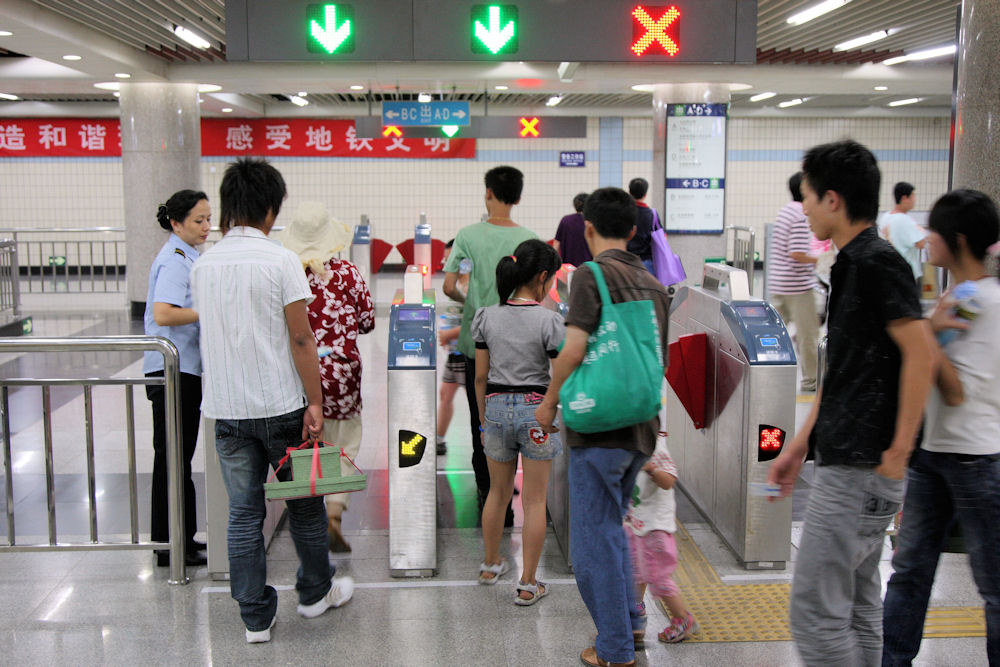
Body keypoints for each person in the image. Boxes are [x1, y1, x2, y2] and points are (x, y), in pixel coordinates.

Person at [766, 141, 935, 667]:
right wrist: (800, 446)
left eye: (811, 198)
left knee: (815, 611)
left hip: (861, 468)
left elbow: (922, 353)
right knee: (859, 604)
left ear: (833, 200)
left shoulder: (874, 263)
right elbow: (844, 372)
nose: (807, 208)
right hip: (850, 458)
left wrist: (900, 448)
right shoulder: (853, 264)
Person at [190, 158, 353, 644]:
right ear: (268, 208)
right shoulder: (280, 260)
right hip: (282, 406)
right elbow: (302, 340)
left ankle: (255, 619)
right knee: (303, 507)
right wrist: (316, 401)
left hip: (227, 411)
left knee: (243, 514)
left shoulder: (204, 265)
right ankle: (313, 595)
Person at [535, 187, 672, 667]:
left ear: (587, 229)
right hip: (641, 429)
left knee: (594, 542)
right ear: (634, 231)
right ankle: (630, 626)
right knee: (613, 530)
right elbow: (661, 358)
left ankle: (614, 649)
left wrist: (550, 403)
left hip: (599, 427)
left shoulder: (590, 276)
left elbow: (573, 350)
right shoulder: (654, 283)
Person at [882, 189, 1000, 666]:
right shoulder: (961, 294)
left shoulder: (978, 299)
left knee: (991, 584)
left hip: (975, 457)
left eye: (934, 232)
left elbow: (952, 388)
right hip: (937, 454)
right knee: (909, 572)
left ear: (959, 239)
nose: (926, 239)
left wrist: (924, 335)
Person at [274, 201, 375, 555]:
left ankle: (309, 521)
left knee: (305, 444)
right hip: (343, 374)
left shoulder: (284, 274)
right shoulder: (348, 273)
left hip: (298, 373)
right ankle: (334, 512)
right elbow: (367, 322)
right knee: (343, 443)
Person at [472, 239, 565, 604]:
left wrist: (483, 419)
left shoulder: (486, 316)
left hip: (494, 408)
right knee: (535, 499)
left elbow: (480, 377)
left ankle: (490, 564)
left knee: (497, 492)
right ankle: (528, 583)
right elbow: (559, 375)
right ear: (541, 277)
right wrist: (552, 410)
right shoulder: (549, 320)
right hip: (535, 411)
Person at [443, 165, 538, 519]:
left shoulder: (468, 234)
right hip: (521, 343)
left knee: (480, 420)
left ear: (488, 194)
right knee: (518, 415)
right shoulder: (530, 239)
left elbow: (449, 285)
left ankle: (489, 494)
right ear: (518, 198)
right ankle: (511, 486)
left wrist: (470, 302)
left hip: (476, 341)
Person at [143, 189, 211, 568]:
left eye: (207, 219)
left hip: (184, 368)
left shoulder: (187, 255)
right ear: (176, 222)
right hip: (172, 370)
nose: (206, 227)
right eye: (198, 220)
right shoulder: (174, 259)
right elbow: (165, 313)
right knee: (171, 458)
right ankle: (170, 545)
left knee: (178, 458)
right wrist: (205, 311)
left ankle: (181, 539)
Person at [625, 432, 697, 644]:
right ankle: (635, 615)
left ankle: (683, 620)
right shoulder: (627, 443)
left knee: (658, 578)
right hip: (637, 523)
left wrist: (650, 467)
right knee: (636, 571)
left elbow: (669, 481)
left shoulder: (654, 445)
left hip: (655, 528)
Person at [767, 172, 821, 392]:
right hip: (797, 287)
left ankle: (765, 375)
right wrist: (821, 260)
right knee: (808, 336)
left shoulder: (785, 211)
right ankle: (812, 381)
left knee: (771, 336)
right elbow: (797, 253)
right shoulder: (800, 214)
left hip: (778, 283)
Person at [436, 239, 468, 456]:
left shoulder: (471, 286)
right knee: (445, 394)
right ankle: (439, 439)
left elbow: (475, 321)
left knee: (477, 402)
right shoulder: (457, 286)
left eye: (450, 260)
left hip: (468, 354)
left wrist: (449, 334)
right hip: (455, 354)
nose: (445, 264)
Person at [880, 182, 927, 289]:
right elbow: (921, 243)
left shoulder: (885, 217)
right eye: (913, 196)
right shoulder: (904, 220)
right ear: (905, 198)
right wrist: (921, 229)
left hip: (888, 271)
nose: (915, 200)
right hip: (904, 274)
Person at [553, 192, 592, 266]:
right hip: (588, 266)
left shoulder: (565, 220)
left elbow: (556, 243)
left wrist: (555, 263)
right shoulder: (591, 222)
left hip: (568, 267)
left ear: (575, 205)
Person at [626, 177, 655, 273]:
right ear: (645, 194)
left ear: (630, 192)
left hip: (625, 262)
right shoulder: (651, 214)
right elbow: (662, 237)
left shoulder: (622, 212)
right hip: (646, 262)